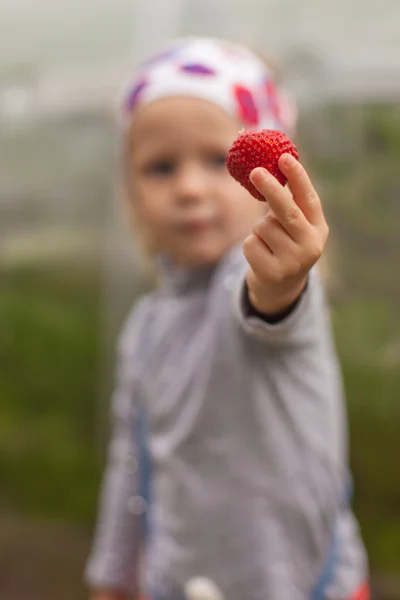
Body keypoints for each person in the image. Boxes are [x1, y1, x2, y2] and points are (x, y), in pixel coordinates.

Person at [85, 37, 369, 600]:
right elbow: (130, 464)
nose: (189, 188)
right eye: (160, 168)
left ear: (273, 179)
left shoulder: (262, 286)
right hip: (176, 583)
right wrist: (112, 575)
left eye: (219, 160)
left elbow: (270, 306)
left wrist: (283, 275)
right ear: (132, 192)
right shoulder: (145, 326)